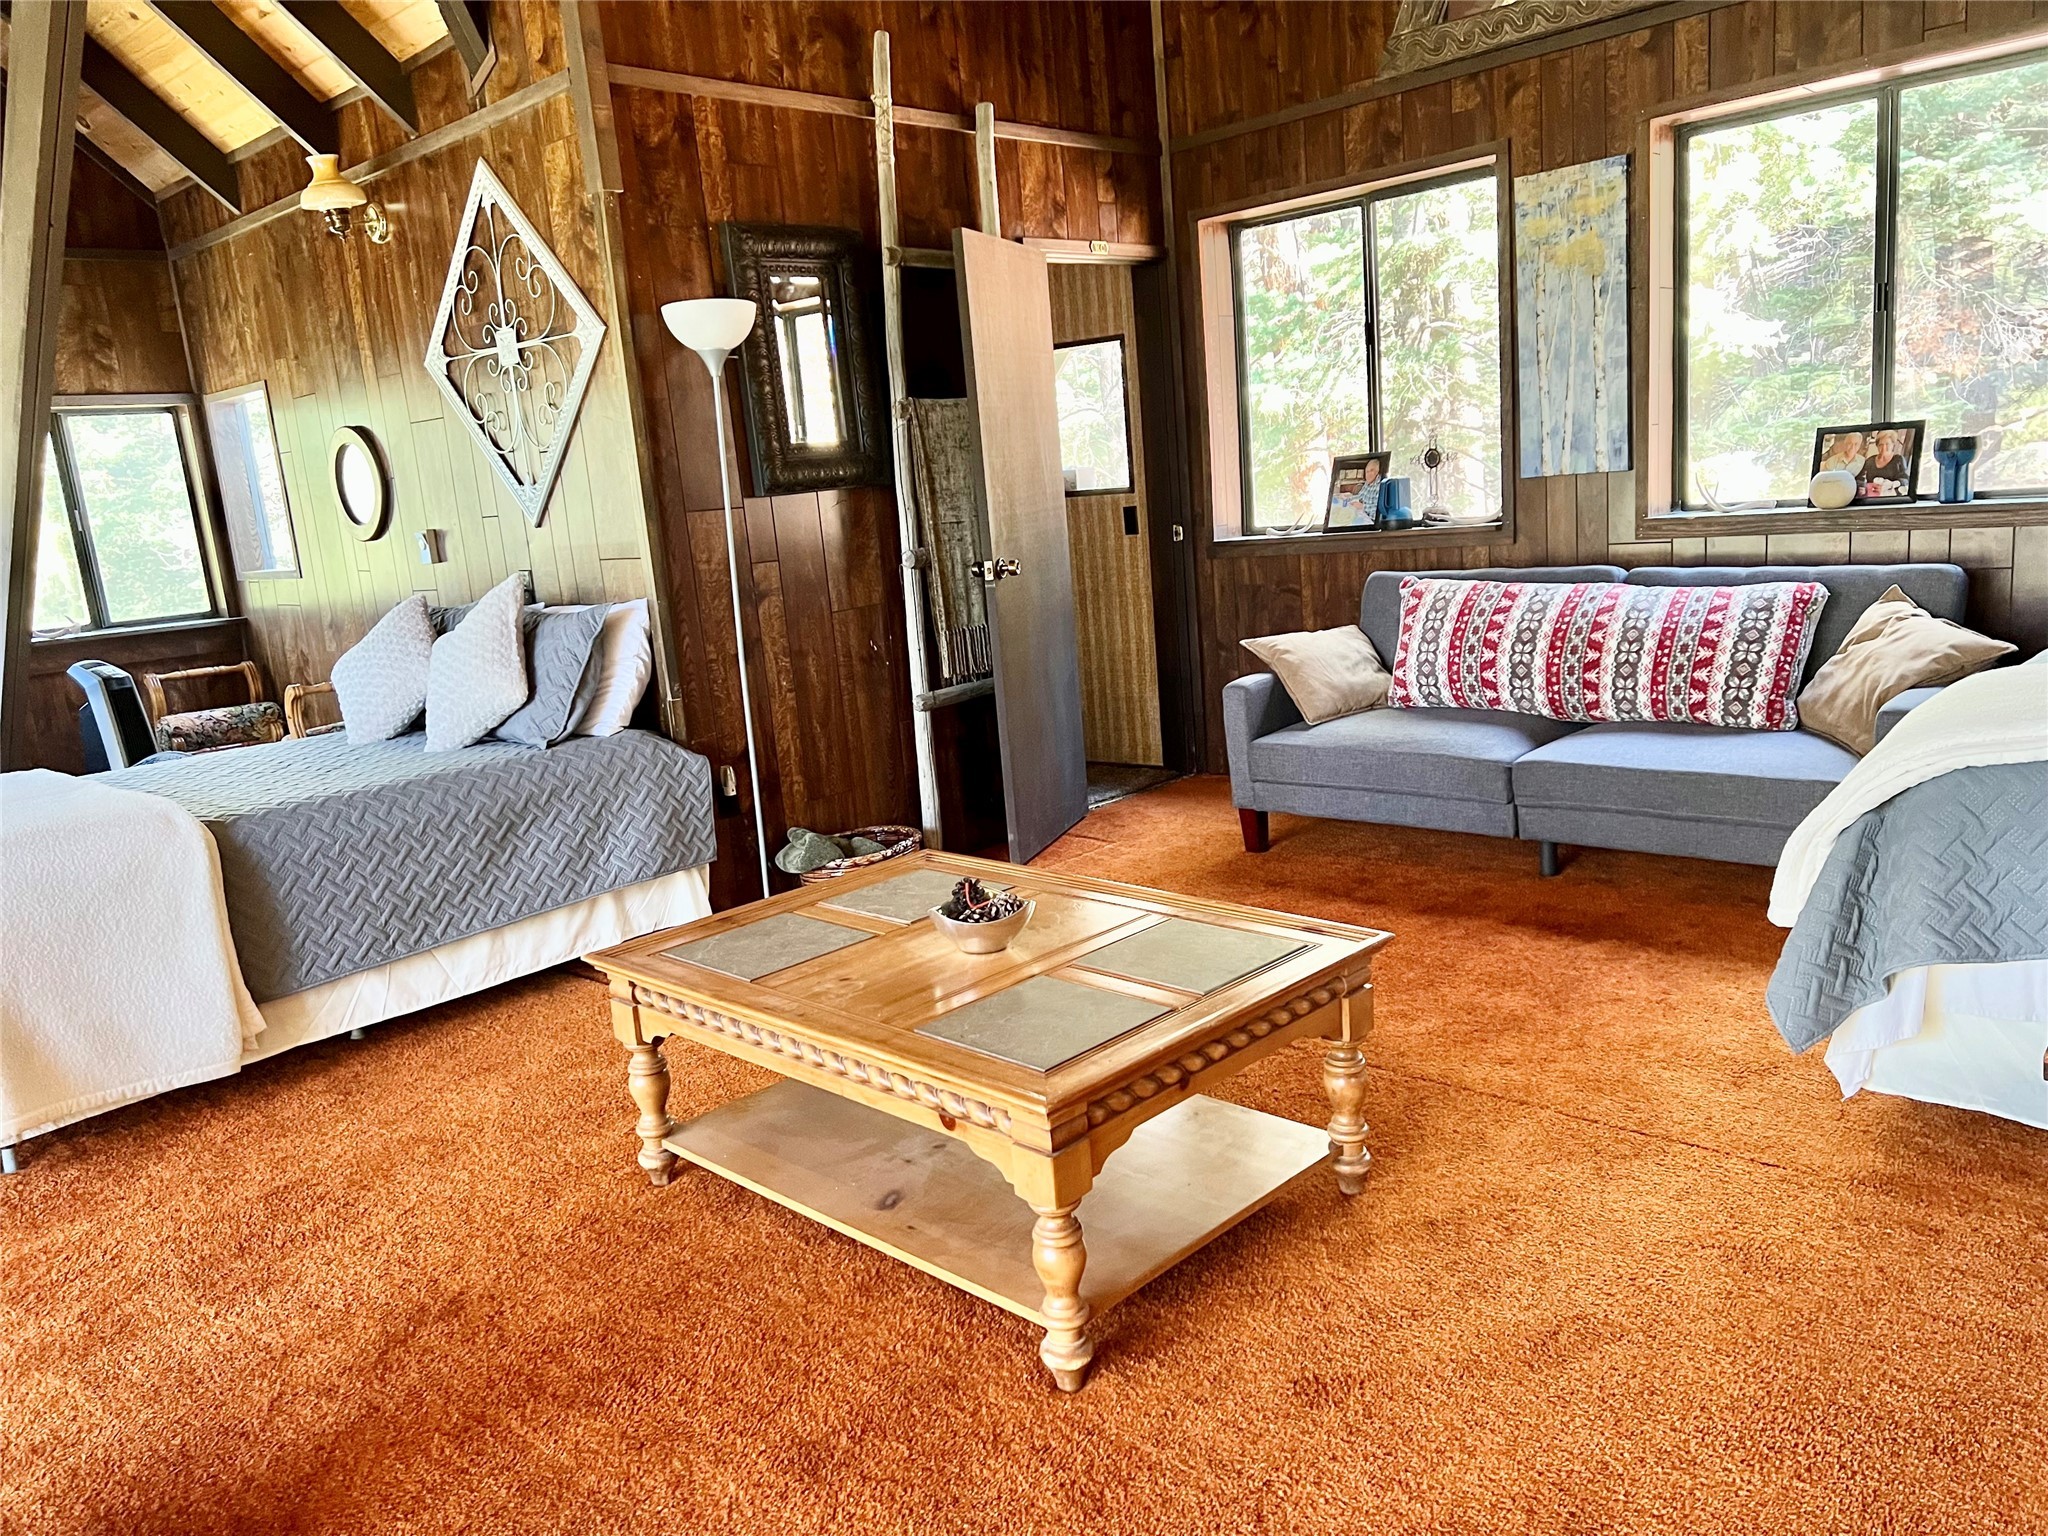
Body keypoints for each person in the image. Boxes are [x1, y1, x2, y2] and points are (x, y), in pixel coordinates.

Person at [1860, 428, 1911, 498]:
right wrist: (1863, 487)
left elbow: (1905, 480)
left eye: (1887, 444)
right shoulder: (1870, 461)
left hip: (1892, 499)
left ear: (1893, 445)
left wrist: (1890, 484)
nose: (1884, 448)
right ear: (1877, 446)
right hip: (1872, 498)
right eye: (1881, 444)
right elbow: (1860, 479)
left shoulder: (1898, 460)